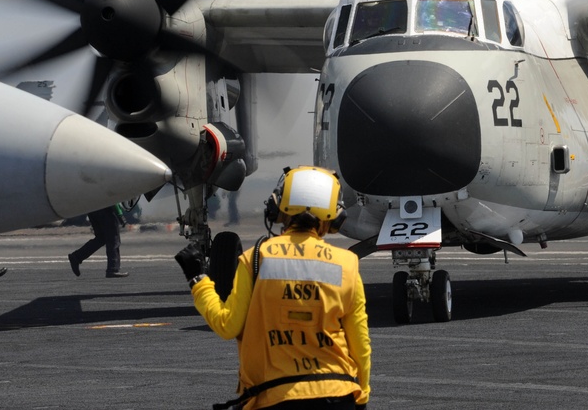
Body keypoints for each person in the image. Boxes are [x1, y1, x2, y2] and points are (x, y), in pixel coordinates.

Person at [176, 166, 371, 410]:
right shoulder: (347, 264)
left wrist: (198, 280)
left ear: (277, 207)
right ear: (334, 216)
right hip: (338, 394)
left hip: (275, 397)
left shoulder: (256, 258)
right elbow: (360, 343)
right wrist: (361, 393)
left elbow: (228, 325)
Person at [68, 206, 128, 278]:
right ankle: (113, 269)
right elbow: (112, 197)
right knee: (113, 239)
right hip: (106, 209)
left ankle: (77, 257)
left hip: (92, 210)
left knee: (101, 238)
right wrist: (120, 214)